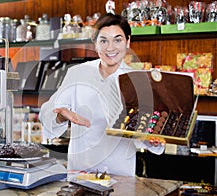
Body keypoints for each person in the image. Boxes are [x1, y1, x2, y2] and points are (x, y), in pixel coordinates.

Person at [39, 13, 165, 177]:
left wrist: (151, 139)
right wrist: (61, 117)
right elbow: (46, 112)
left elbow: (144, 132)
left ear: (128, 42)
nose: (110, 48)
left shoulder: (139, 81)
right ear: (95, 44)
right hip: (80, 172)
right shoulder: (77, 73)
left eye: (117, 40)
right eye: (103, 40)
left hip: (120, 173)